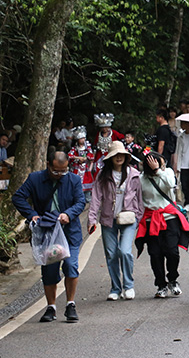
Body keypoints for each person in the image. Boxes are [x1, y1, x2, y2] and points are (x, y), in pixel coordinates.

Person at [12, 151, 86, 322]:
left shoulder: (73, 179)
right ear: (48, 165)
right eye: (56, 171)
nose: (60, 175)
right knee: (49, 270)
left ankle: (70, 304)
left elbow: (80, 202)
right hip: (47, 233)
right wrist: (32, 214)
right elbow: (18, 197)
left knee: (70, 265)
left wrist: (68, 214)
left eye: (64, 171)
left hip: (69, 232)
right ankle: (51, 307)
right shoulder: (35, 179)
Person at [87, 141, 144, 301]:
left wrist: (139, 216)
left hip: (129, 218)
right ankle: (115, 288)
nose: (118, 157)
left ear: (126, 157)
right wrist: (92, 219)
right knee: (111, 254)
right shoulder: (103, 175)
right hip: (108, 219)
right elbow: (96, 198)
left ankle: (128, 286)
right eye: (115, 155)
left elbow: (139, 197)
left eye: (121, 155)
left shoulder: (133, 174)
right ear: (110, 158)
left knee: (125, 251)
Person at [135, 151, 189, 298]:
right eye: (158, 164)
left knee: (172, 252)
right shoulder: (141, 179)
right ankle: (161, 285)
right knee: (155, 254)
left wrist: (158, 171)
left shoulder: (167, 172)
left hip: (169, 218)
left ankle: (173, 279)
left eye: (162, 164)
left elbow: (171, 184)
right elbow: (137, 199)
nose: (162, 166)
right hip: (151, 220)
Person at [67, 126, 95, 194]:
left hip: (85, 167)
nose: (83, 140)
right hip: (77, 167)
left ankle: (86, 196)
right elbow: (69, 155)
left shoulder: (87, 146)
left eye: (83, 138)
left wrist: (86, 158)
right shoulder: (75, 148)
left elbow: (91, 154)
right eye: (81, 138)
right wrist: (77, 158)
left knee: (86, 181)